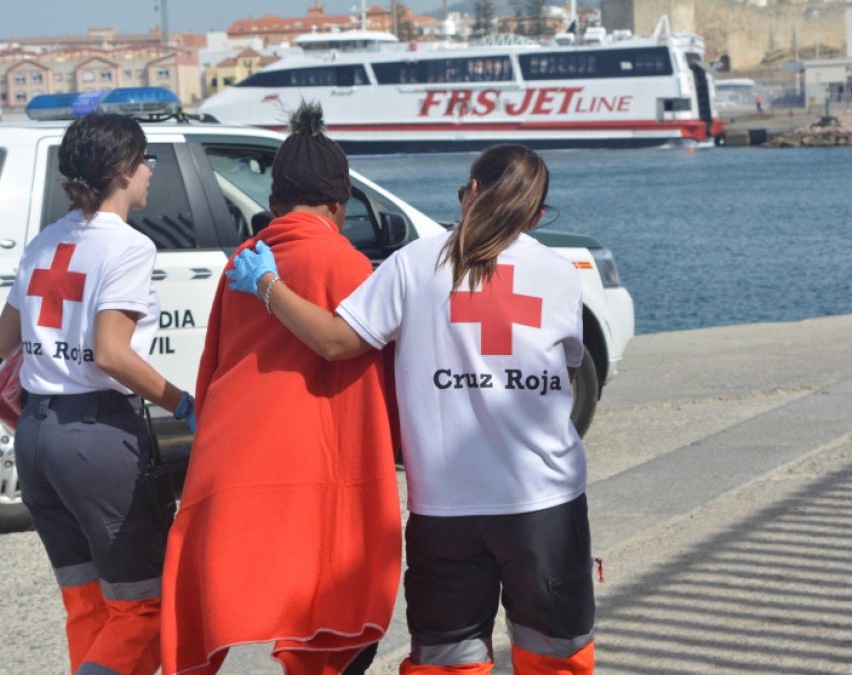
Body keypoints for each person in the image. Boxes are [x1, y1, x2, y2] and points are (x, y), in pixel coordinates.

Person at [228, 144, 596, 674]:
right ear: (536, 214)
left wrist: (267, 284)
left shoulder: (415, 263)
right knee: (557, 658)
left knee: (447, 663)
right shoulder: (560, 273)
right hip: (546, 504)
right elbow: (567, 370)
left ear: (471, 192)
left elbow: (335, 342)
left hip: (446, 510)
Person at [161, 102, 402, 675]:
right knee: (330, 617)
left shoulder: (244, 260)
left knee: (238, 593)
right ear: (340, 206)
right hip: (315, 464)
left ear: (272, 205)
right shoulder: (345, 261)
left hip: (238, 455)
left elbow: (214, 361)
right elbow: (357, 356)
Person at [0, 112, 196, 675]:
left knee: (88, 604)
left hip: (36, 439)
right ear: (123, 170)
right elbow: (112, 353)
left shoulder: (44, 241)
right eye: (146, 160)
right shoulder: (128, 247)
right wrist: (184, 403)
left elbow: (3, 341)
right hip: (96, 437)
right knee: (144, 608)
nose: (151, 171)